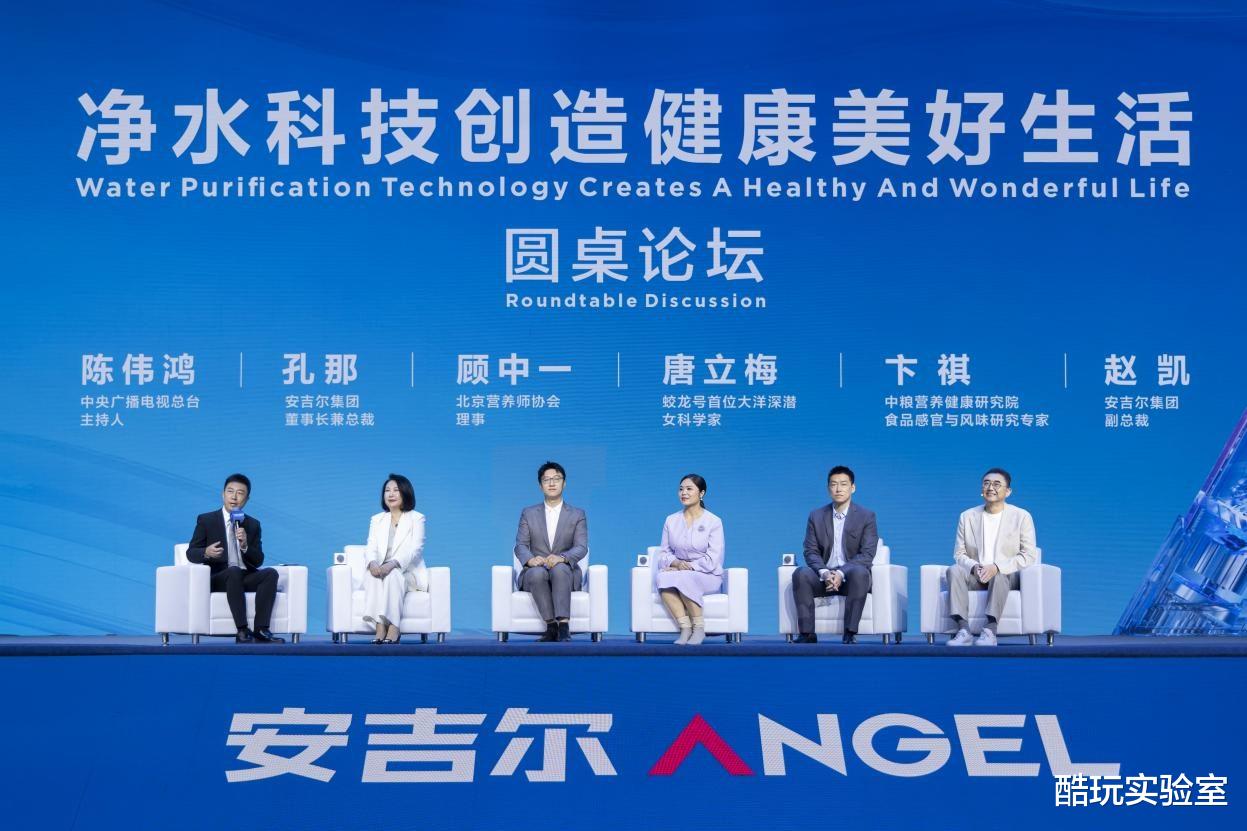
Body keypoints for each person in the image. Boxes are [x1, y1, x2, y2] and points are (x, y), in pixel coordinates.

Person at [186, 473, 284, 643]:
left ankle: (261, 629)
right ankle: (242, 630)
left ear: (247, 499)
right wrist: (206, 552)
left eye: (240, 493)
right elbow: (191, 553)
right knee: (233, 571)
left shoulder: (253, 524)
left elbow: (258, 560)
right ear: (223, 494)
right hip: (220, 577)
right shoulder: (207, 520)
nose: (234, 497)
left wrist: (245, 545)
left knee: (270, 573)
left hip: (244, 576)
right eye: (230, 491)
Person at [946, 467, 1038, 647]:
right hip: (977, 574)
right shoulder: (967, 516)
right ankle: (963, 630)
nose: (990, 488)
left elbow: (1028, 555)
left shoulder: (1022, 516)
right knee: (954, 570)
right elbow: (959, 553)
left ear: (1008, 491)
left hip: (1006, 575)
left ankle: (990, 630)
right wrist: (974, 567)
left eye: (997, 484)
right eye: (986, 483)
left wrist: (996, 567)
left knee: (1000, 575)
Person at [791, 465, 879, 644]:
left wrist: (841, 573)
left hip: (851, 579)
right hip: (824, 577)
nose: (838, 489)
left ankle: (850, 632)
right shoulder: (816, 516)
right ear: (828, 488)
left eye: (843, 484)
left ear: (852, 488)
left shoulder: (866, 516)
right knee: (801, 573)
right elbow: (810, 550)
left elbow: (867, 554)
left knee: (861, 572)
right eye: (834, 484)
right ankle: (807, 634)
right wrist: (825, 573)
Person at [513, 461, 589, 642]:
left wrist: (562, 558)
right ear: (540, 486)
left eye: (556, 479)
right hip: (535, 570)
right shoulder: (528, 513)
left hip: (565, 571)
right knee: (537, 573)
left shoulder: (577, 514)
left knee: (560, 569)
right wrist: (530, 560)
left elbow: (581, 547)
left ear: (564, 483)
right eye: (546, 480)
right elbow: (520, 545)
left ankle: (563, 626)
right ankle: (551, 626)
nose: (552, 483)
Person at [655, 474, 724, 646]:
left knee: (684, 577)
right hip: (679, 571)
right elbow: (663, 553)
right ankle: (685, 628)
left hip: (708, 575)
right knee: (662, 578)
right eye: (681, 489)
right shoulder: (671, 520)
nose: (683, 493)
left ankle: (699, 628)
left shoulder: (714, 521)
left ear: (702, 493)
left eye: (689, 489)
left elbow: (713, 559)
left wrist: (687, 567)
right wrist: (676, 564)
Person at [362, 473, 427, 644]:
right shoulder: (377, 519)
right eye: (387, 490)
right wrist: (373, 563)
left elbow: (415, 550)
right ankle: (380, 625)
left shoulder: (417, 518)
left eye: (396, 490)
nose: (390, 494)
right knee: (371, 576)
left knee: (393, 575)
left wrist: (392, 564)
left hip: (406, 571)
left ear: (405, 492)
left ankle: (393, 626)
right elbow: (370, 546)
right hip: (381, 569)